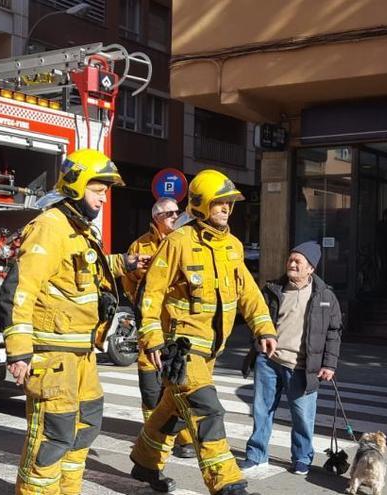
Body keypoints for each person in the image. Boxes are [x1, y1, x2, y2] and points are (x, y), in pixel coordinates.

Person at [0, 148, 149, 495]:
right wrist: (19, 351)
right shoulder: (50, 227)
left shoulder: (79, 230)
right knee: (53, 436)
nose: (104, 201)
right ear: (78, 186)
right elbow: (20, 288)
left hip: (81, 353)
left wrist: (123, 264)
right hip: (53, 354)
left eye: (106, 193)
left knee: (86, 425)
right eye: (99, 192)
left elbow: (83, 271)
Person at [129, 169, 278, 495]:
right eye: (218, 202)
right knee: (206, 410)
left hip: (211, 352)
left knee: (170, 410)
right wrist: (152, 337)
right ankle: (226, 482)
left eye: (229, 202)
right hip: (181, 351)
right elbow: (150, 295)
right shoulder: (177, 242)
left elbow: (249, 293)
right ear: (200, 205)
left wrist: (264, 327)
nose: (226, 208)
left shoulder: (233, 246)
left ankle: (144, 461)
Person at [239, 241, 343, 476]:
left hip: (302, 366)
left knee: (302, 416)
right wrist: (257, 345)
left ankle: (302, 458)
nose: (292, 264)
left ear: (311, 269)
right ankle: (256, 455)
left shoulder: (325, 296)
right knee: (262, 411)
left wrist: (329, 364)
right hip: (269, 360)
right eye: (291, 259)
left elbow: (334, 333)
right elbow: (256, 318)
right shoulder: (273, 289)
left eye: (299, 261)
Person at [122, 197, 197, 459]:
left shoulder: (185, 240)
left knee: (178, 384)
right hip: (151, 326)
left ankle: (185, 439)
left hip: (177, 326)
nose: (176, 217)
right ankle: (151, 437)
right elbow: (129, 282)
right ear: (156, 218)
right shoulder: (140, 245)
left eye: (178, 212)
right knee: (151, 389)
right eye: (170, 214)